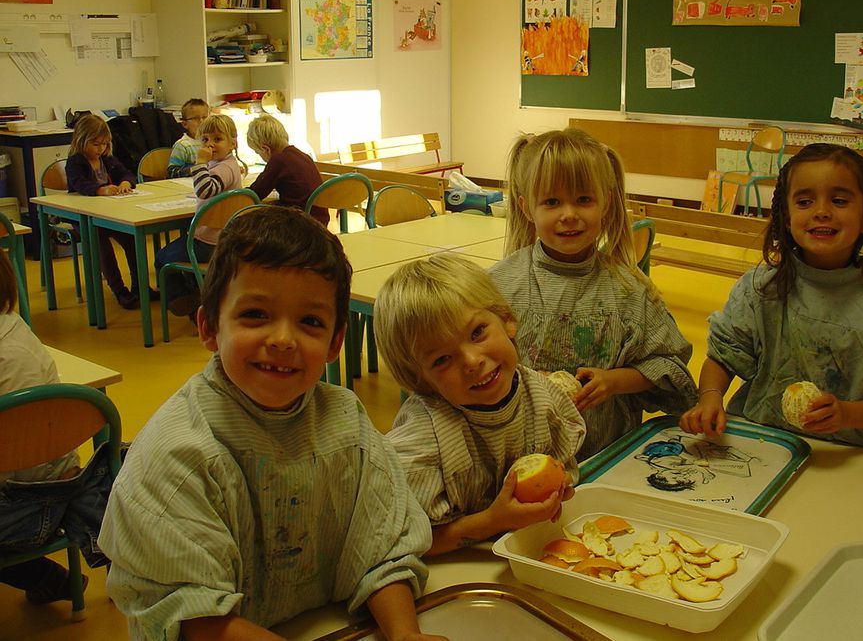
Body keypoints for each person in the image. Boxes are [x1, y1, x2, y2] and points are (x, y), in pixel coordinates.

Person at [98, 207, 445, 641]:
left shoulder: (345, 420)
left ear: (336, 342)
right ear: (209, 327)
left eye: (310, 322)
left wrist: (404, 634)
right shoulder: (178, 455)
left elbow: (383, 546)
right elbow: (194, 618)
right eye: (255, 315)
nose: (282, 339)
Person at [680, 143, 863, 455]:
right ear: (786, 218)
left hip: (853, 455)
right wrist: (709, 398)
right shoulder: (761, 289)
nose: (821, 211)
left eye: (839, 200)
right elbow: (724, 356)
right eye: (804, 201)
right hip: (765, 442)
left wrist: (845, 414)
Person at [491, 128, 697, 461]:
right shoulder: (499, 286)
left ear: (606, 203)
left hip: (605, 456)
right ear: (527, 208)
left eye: (583, 199)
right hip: (520, 460)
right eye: (552, 201)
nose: (569, 214)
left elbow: (669, 366)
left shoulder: (629, 291)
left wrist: (614, 382)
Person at [377, 253, 585, 556]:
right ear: (419, 379)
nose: (472, 361)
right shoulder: (423, 440)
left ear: (506, 320)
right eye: (442, 359)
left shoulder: (542, 396)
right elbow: (396, 541)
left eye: (477, 332)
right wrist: (492, 521)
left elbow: (563, 468)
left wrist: (557, 488)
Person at [0, 250, 112, 604]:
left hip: (24, 506)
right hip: (54, 482)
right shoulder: (14, 327)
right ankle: (46, 578)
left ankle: (43, 576)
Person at [154, 114, 246, 319]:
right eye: (205, 140)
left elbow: (205, 190)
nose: (210, 144)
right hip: (223, 238)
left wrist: (200, 163)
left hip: (209, 241)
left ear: (232, 143)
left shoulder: (224, 167)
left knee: (162, 258)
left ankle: (185, 301)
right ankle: (197, 295)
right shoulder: (229, 164)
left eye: (217, 139)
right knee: (181, 254)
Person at [66, 114, 143, 309]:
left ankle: (139, 287)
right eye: (96, 144)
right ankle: (119, 290)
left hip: (109, 214)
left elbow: (125, 173)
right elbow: (79, 184)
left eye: (104, 144)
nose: (101, 149)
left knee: (131, 239)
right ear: (81, 141)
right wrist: (100, 190)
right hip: (83, 217)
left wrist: (126, 182)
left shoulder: (107, 159)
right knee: (102, 245)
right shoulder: (75, 162)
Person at [246, 114, 329, 225]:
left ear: (265, 149)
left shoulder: (278, 160)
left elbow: (255, 193)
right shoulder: (303, 155)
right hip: (319, 219)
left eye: (258, 153)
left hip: (301, 224)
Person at [166, 98, 209, 178]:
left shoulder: (211, 143)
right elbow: (171, 172)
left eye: (205, 117)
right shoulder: (183, 145)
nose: (202, 121)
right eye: (196, 118)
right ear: (185, 124)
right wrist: (194, 169)